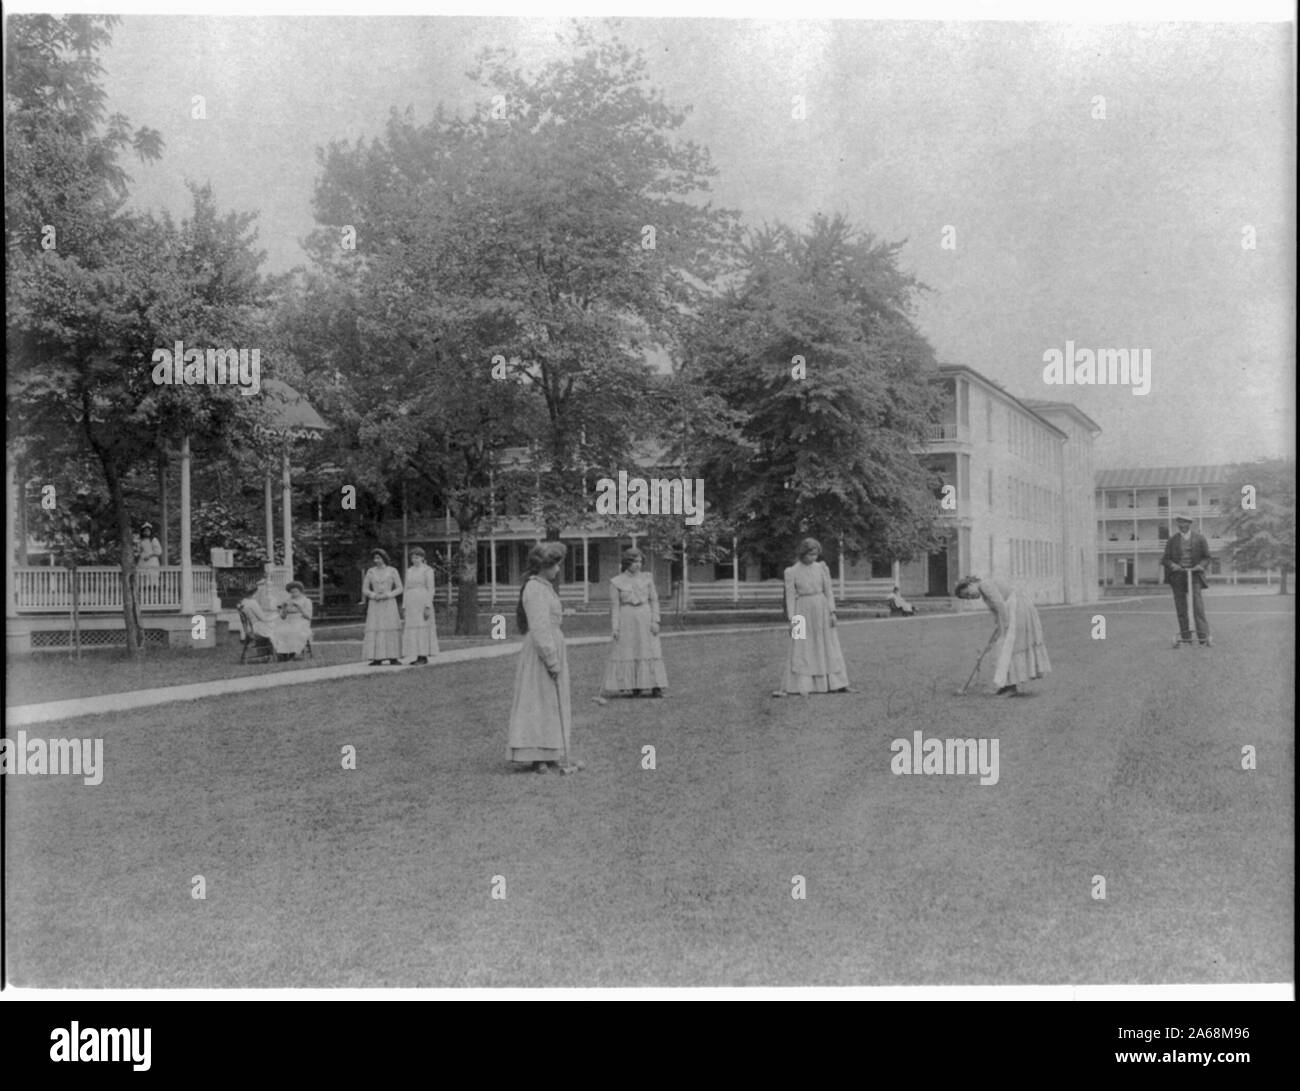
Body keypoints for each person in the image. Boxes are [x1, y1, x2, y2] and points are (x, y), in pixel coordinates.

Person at [508, 541, 577, 774]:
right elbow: (539, 628)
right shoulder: (534, 589)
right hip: (541, 652)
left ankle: (551, 751)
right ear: (543, 566)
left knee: (550, 701)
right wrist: (551, 660)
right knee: (538, 700)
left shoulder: (545, 587)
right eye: (555, 565)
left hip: (553, 644)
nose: (558, 569)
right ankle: (536, 754)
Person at [773, 537, 850, 697]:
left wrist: (832, 612)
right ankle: (800, 685)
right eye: (810, 554)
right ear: (802, 554)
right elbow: (790, 597)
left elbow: (828, 591)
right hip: (801, 609)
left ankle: (835, 683)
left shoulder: (821, 568)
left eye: (815, 554)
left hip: (821, 608)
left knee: (827, 644)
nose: (813, 558)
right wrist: (792, 620)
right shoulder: (792, 571)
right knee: (800, 645)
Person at [954, 574, 1051, 695]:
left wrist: (1005, 624)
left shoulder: (985, 584)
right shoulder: (984, 594)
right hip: (1012, 610)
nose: (970, 597)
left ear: (970, 584)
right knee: (1004, 647)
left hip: (1018, 608)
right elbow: (996, 613)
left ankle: (1010, 686)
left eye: (968, 593)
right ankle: (1007, 684)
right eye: (967, 598)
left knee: (1007, 646)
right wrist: (999, 627)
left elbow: (1000, 604)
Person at [601, 547, 668, 698]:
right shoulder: (616, 582)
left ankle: (656, 686)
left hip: (645, 616)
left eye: (640, 562)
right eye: (634, 562)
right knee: (631, 650)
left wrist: (655, 620)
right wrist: (615, 628)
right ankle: (634, 686)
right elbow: (615, 607)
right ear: (627, 563)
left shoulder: (647, 578)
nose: (638, 565)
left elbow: (654, 600)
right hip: (627, 618)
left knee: (650, 649)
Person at [1161, 513, 1212, 647]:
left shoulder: (1200, 539)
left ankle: (1203, 637)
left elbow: (1207, 557)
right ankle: (1186, 638)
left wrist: (1200, 566)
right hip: (1178, 576)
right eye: (1180, 523)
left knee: (1197, 606)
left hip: (1194, 575)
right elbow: (1165, 559)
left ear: (1190, 524)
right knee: (1181, 607)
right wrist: (1173, 565)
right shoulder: (1172, 540)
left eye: (1185, 523)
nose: (1182, 525)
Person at [362, 549, 403, 665]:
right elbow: (365, 589)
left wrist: (388, 595)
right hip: (375, 604)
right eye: (375, 558)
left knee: (390, 627)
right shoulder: (370, 572)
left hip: (389, 603)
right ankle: (377, 657)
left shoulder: (392, 571)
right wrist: (373, 595)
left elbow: (400, 588)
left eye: (379, 558)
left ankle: (393, 657)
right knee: (376, 628)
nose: (376, 560)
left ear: (384, 558)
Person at [402, 547, 439, 664]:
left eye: (417, 557)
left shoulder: (427, 570)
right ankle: (416, 655)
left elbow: (431, 589)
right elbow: (406, 588)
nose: (414, 560)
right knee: (413, 628)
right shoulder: (409, 571)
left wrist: (428, 606)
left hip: (422, 600)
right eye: (413, 557)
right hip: (411, 602)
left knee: (422, 627)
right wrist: (404, 606)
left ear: (422, 558)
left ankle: (423, 656)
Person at [273, 581, 314, 660]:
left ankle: (293, 653)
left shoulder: (306, 601)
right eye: (291, 592)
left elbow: (309, 617)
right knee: (279, 631)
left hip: (301, 620)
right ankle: (283, 653)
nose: (293, 594)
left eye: (295, 591)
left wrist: (300, 608)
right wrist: (284, 608)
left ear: (300, 591)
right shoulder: (287, 601)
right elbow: (283, 617)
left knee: (294, 631)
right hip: (289, 621)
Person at [136, 522, 162, 604]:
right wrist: (140, 554)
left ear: (151, 532)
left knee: (152, 581)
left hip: (152, 562)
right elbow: (138, 551)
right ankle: (143, 599)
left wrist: (150, 556)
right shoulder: (140, 541)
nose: (146, 532)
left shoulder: (153, 540)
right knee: (143, 581)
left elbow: (158, 552)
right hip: (143, 562)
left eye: (148, 531)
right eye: (145, 531)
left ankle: (154, 600)